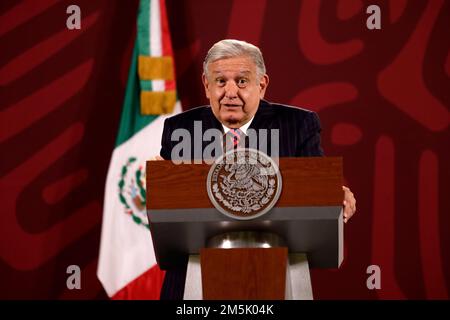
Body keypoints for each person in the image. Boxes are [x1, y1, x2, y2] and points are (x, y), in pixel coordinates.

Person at [157, 39, 356, 299]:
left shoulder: (298, 125)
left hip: (278, 277)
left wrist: (336, 194)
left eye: (241, 81)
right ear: (207, 86)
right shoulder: (180, 128)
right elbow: (168, 206)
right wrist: (158, 186)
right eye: (220, 81)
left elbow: (316, 186)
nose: (230, 92)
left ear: (261, 85)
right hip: (191, 280)